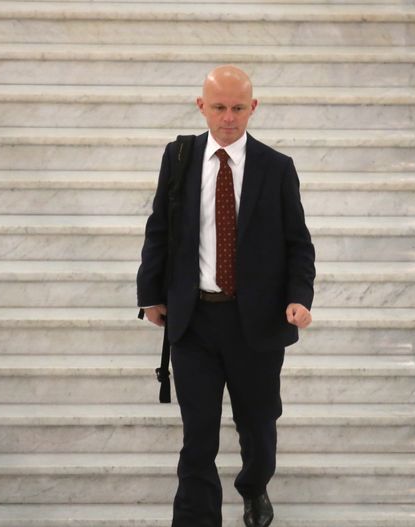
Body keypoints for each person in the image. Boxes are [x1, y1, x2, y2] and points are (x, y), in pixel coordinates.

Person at [136, 65, 316, 527]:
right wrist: (151, 294)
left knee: (258, 425)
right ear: (202, 106)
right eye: (219, 107)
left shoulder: (276, 168)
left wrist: (299, 297)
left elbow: (298, 243)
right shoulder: (179, 157)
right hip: (195, 320)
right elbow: (160, 227)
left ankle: (254, 487)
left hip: (256, 322)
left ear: (253, 107)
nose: (229, 118)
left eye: (238, 108)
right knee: (198, 436)